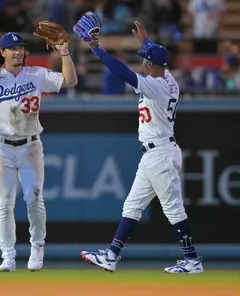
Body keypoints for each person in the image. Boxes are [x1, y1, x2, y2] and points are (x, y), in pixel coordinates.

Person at [73, 16, 204, 274]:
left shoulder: (155, 84)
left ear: (152, 64)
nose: (143, 61)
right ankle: (111, 255)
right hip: (155, 153)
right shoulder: (168, 80)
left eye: (146, 58)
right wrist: (145, 40)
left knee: (173, 208)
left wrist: (96, 48)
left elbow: (122, 71)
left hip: (160, 153)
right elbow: (157, 58)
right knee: (132, 206)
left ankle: (193, 260)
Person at [0, 20, 78, 272]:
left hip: (30, 146)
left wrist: (64, 52)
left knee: (34, 199)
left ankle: (37, 248)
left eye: (20, 47)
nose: (18, 51)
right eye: (12, 48)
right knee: (4, 203)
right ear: (2, 52)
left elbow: (70, 81)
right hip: (2, 148)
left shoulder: (37, 74)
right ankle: (8, 256)